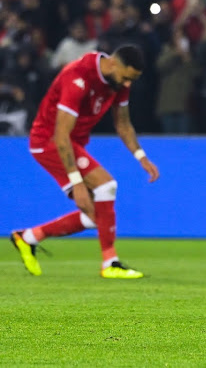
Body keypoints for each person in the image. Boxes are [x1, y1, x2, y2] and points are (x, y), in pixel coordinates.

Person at [10, 45, 160, 278]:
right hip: (50, 141)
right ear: (112, 64)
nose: (128, 85)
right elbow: (61, 134)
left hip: (72, 143)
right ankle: (110, 263)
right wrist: (77, 182)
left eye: (132, 80)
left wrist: (141, 157)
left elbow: (123, 124)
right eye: (126, 78)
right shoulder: (78, 76)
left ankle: (28, 237)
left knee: (95, 216)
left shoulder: (117, 82)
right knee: (106, 185)